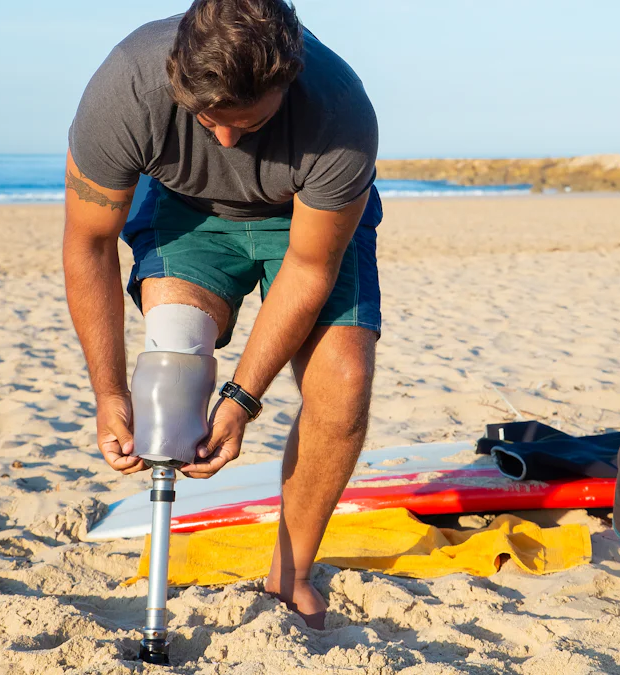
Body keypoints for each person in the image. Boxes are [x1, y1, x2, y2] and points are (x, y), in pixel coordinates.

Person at [62, 0, 381, 628]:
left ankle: (290, 574)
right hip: (188, 213)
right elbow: (88, 243)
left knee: (343, 387)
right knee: (172, 360)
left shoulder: (340, 111)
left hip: (304, 221)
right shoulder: (128, 84)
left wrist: (240, 400)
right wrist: (106, 391)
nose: (227, 140)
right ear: (179, 75)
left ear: (287, 80)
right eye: (209, 121)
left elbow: (310, 268)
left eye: (248, 122)